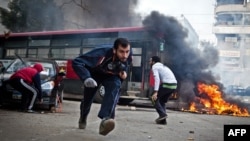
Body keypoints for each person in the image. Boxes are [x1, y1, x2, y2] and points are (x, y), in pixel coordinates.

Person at [72, 38, 132, 136]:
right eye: (121, 52)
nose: (125, 55)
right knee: (87, 100)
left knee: (115, 85)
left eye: (127, 52)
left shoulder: (128, 55)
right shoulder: (100, 53)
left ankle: (106, 119)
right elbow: (77, 62)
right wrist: (86, 78)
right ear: (114, 50)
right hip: (94, 74)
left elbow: (125, 65)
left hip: (110, 76)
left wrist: (123, 72)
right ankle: (83, 117)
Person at [149, 56, 177, 125]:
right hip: (174, 85)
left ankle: (162, 114)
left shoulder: (155, 66)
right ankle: (163, 121)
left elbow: (157, 79)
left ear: (153, 61)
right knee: (162, 101)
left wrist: (155, 92)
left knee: (153, 98)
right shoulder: (163, 66)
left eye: (150, 61)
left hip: (167, 84)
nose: (149, 62)